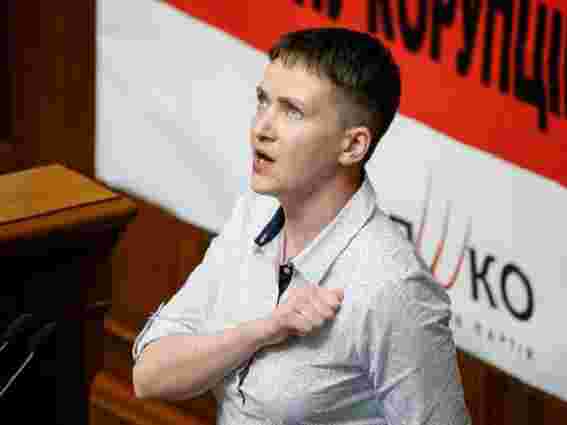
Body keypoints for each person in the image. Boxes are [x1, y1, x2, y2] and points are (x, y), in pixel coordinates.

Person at [132, 27, 471, 425]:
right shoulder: (254, 212)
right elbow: (149, 376)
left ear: (353, 146)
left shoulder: (394, 288)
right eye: (263, 101)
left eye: (292, 111)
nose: (261, 129)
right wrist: (262, 331)